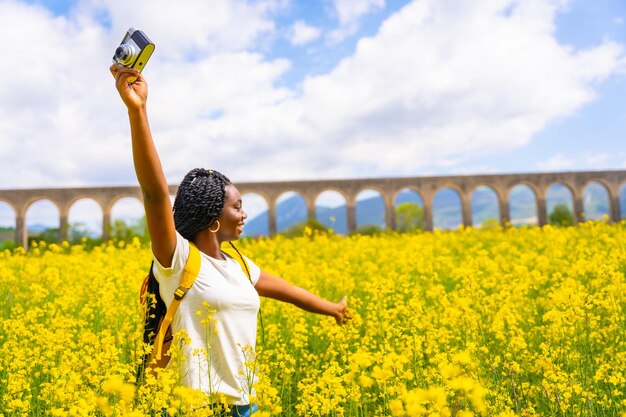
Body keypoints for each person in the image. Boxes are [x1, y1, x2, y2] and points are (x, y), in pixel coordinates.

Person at [110, 63, 351, 417]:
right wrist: (138, 110)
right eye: (237, 207)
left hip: (245, 406)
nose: (243, 214)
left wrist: (332, 309)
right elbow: (155, 195)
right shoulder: (177, 259)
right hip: (195, 408)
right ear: (212, 218)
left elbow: (287, 291)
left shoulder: (238, 265)